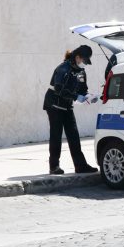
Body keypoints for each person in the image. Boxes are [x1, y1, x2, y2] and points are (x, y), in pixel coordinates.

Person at [42, 45, 98, 175]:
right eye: (83, 60)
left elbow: (83, 89)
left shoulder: (81, 72)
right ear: (77, 57)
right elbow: (58, 89)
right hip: (54, 105)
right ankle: (54, 166)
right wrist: (76, 97)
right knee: (56, 135)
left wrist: (88, 97)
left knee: (73, 135)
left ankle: (80, 166)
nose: (84, 64)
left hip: (67, 105)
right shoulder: (63, 69)